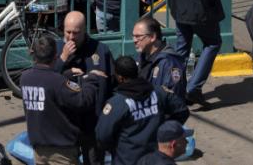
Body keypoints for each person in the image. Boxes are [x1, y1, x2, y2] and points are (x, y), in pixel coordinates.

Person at [21, 35, 107, 165]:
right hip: (61, 153)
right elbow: (83, 100)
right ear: (55, 56)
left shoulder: (25, 78)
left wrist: (66, 73)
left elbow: (45, 80)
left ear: (33, 54)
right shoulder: (58, 82)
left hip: (38, 149)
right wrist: (91, 79)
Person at [95, 56, 189, 165]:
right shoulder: (159, 92)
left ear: (119, 78)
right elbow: (182, 111)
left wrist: (118, 146)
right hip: (156, 159)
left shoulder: (116, 103)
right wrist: (164, 130)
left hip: (127, 160)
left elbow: (102, 136)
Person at [55, 11, 114, 165]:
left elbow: (112, 84)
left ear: (85, 30)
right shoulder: (56, 49)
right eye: (68, 32)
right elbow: (47, 78)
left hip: (93, 123)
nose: (71, 37)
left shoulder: (101, 50)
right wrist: (63, 59)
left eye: (76, 33)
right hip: (67, 122)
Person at [134, 16, 186, 98]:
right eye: (133, 36)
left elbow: (173, 96)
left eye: (138, 36)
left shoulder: (170, 63)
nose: (134, 40)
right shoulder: (142, 56)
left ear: (152, 37)